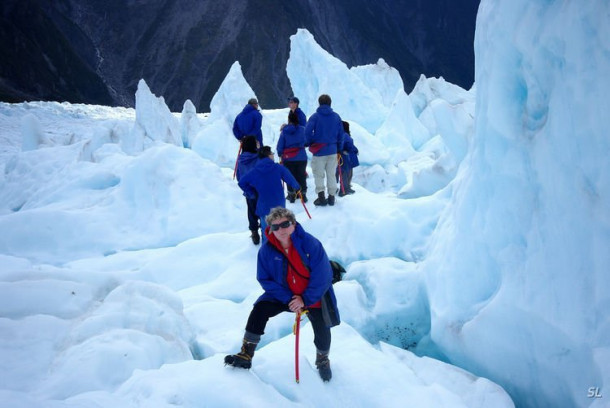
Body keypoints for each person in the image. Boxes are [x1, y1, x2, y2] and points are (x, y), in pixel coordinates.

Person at [224, 207, 340, 382]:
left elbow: (323, 276)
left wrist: (305, 299)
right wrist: (289, 299)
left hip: (312, 297)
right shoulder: (266, 251)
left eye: (285, 224)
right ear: (270, 229)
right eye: (275, 227)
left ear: (293, 224)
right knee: (260, 309)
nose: (281, 229)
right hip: (286, 295)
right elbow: (264, 278)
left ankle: (322, 360)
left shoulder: (310, 244)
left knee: (322, 330)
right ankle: (246, 354)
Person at [238, 146, 301, 242]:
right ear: (268, 155)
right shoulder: (277, 167)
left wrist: (252, 192)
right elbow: (290, 179)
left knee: (266, 232)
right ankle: (281, 251)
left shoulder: (255, 171)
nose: (273, 155)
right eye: (272, 153)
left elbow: (241, 182)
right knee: (281, 231)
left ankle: (266, 253)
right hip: (279, 206)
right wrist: (297, 188)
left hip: (264, 207)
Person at [304, 94, 344, 207]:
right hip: (332, 150)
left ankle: (321, 198)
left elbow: (307, 132)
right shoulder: (336, 117)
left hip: (319, 151)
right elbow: (341, 135)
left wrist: (311, 141)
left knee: (318, 174)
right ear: (330, 103)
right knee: (331, 174)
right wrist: (339, 148)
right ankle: (331, 197)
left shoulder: (315, 117)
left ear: (319, 103)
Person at [277, 111, 308, 203]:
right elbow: (307, 142)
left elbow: (280, 145)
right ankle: (303, 194)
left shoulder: (284, 131)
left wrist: (280, 153)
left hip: (288, 158)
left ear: (289, 119)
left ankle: (291, 195)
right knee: (301, 175)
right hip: (301, 157)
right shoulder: (302, 130)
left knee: (289, 176)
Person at [236, 135, 262, 244]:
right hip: (261, 190)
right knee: (264, 211)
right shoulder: (258, 157)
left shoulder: (240, 160)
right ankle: (266, 231)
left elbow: (239, 176)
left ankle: (254, 233)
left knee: (251, 212)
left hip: (248, 191)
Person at [337, 121, 359, 196]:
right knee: (345, 173)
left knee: (348, 173)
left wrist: (355, 149)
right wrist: (344, 151)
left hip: (348, 157)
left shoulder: (343, 134)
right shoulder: (344, 135)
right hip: (345, 157)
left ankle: (347, 187)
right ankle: (343, 189)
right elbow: (345, 145)